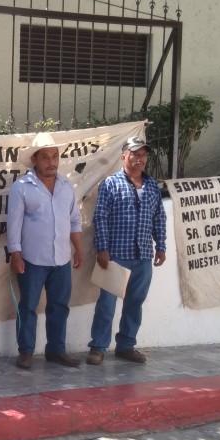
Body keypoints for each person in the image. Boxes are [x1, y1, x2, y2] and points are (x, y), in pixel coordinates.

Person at [88, 136, 166, 365]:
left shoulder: (152, 185)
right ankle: (98, 347)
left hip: (143, 254)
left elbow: (159, 217)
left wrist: (160, 245)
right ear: (124, 156)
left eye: (143, 154)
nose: (140, 159)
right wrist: (102, 248)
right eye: (135, 154)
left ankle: (126, 345)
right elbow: (100, 217)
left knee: (135, 302)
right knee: (107, 304)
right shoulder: (111, 183)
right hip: (116, 255)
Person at [8, 133, 84, 370]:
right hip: (32, 259)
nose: (51, 162)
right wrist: (16, 255)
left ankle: (56, 351)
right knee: (28, 306)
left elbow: (74, 220)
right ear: (35, 160)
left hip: (61, 258)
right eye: (45, 157)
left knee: (59, 306)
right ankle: (26, 351)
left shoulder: (65, 186)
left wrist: (78, 249)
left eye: (54, 156)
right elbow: (14, 225)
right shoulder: (21, 187)